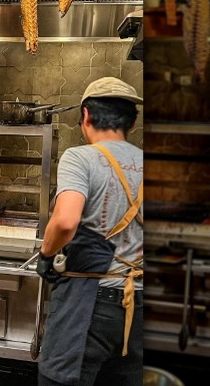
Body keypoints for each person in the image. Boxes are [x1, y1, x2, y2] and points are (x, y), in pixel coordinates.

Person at [36, 77, 143, 386]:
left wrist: (46, 255)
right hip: (138, 308)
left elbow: (66, 221)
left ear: (85, 116)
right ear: (132, 122)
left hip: (88, 305)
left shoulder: (79, 158)